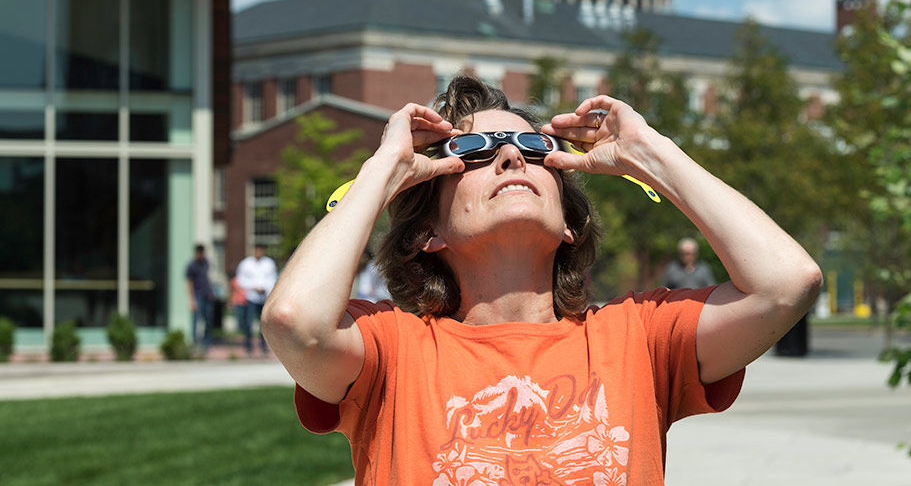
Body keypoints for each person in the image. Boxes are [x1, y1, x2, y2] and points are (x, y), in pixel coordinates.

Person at [262, 76, 822, 483]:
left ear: (569, 228)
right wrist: (383, 170)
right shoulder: (392, 350)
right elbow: (294, 321)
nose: (512, 157)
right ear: (428, 231)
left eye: (536, 148)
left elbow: (786, 283)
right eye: (473, 152)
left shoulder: (639, 338)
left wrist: (652, 153)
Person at [236, 244, 278, 356]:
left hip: (264, 297)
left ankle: (263, 346)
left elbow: (273, 278)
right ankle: (248, 345)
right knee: (249, 323)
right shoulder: (246, 264)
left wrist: (265, 288)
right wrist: (253, 287)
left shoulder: (269, 263)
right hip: (251, 297)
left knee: (263, 324)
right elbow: (240, 280)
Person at [185, 244, 215, 351]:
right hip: (198, 296)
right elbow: (189, 283)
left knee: (208, 319)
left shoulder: (206, 263)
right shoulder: (191, 266)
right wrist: (192, 300)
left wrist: (211, 292)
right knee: (196, 321)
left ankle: (207, 342)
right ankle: (195, 343)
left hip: (207, 295)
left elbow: (208, 278)